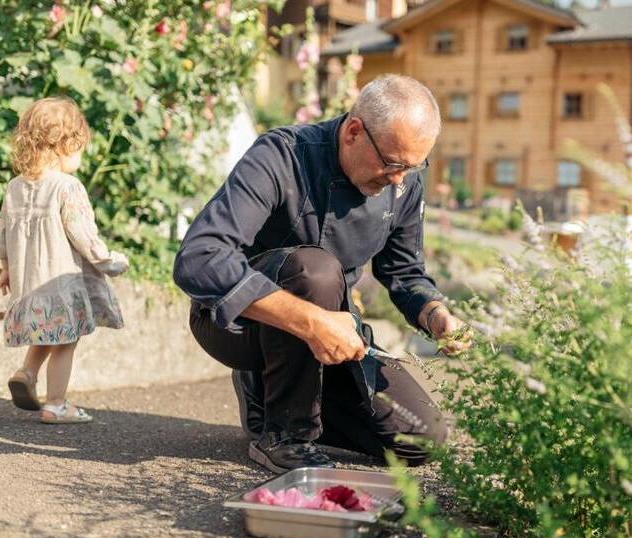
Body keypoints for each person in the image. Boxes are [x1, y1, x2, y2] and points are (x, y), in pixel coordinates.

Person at [174, 74, 470, 473]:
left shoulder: (402, 182)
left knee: (421, 438)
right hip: (238, 327)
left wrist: (435, 314)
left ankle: (273, 397)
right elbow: (200, 257)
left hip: (335, 328)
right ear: (353, 132)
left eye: (413, 167)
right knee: (316, 270)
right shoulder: (282, 155)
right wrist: (312, 322)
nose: (399, 179)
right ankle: (286, 434)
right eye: (392, 163)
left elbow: (404, 271)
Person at [0, 97, 129, 423]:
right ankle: (56, 404)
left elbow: (2, 234)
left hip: (29, 288)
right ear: (64, 145)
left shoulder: (14, 187)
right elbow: (83, 235)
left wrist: (5, 268)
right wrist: (110, 261)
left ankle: (27, 373)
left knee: (48, 331)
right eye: (79, 148)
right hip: (61, 288)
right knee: (65, 340)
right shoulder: (67, 187)